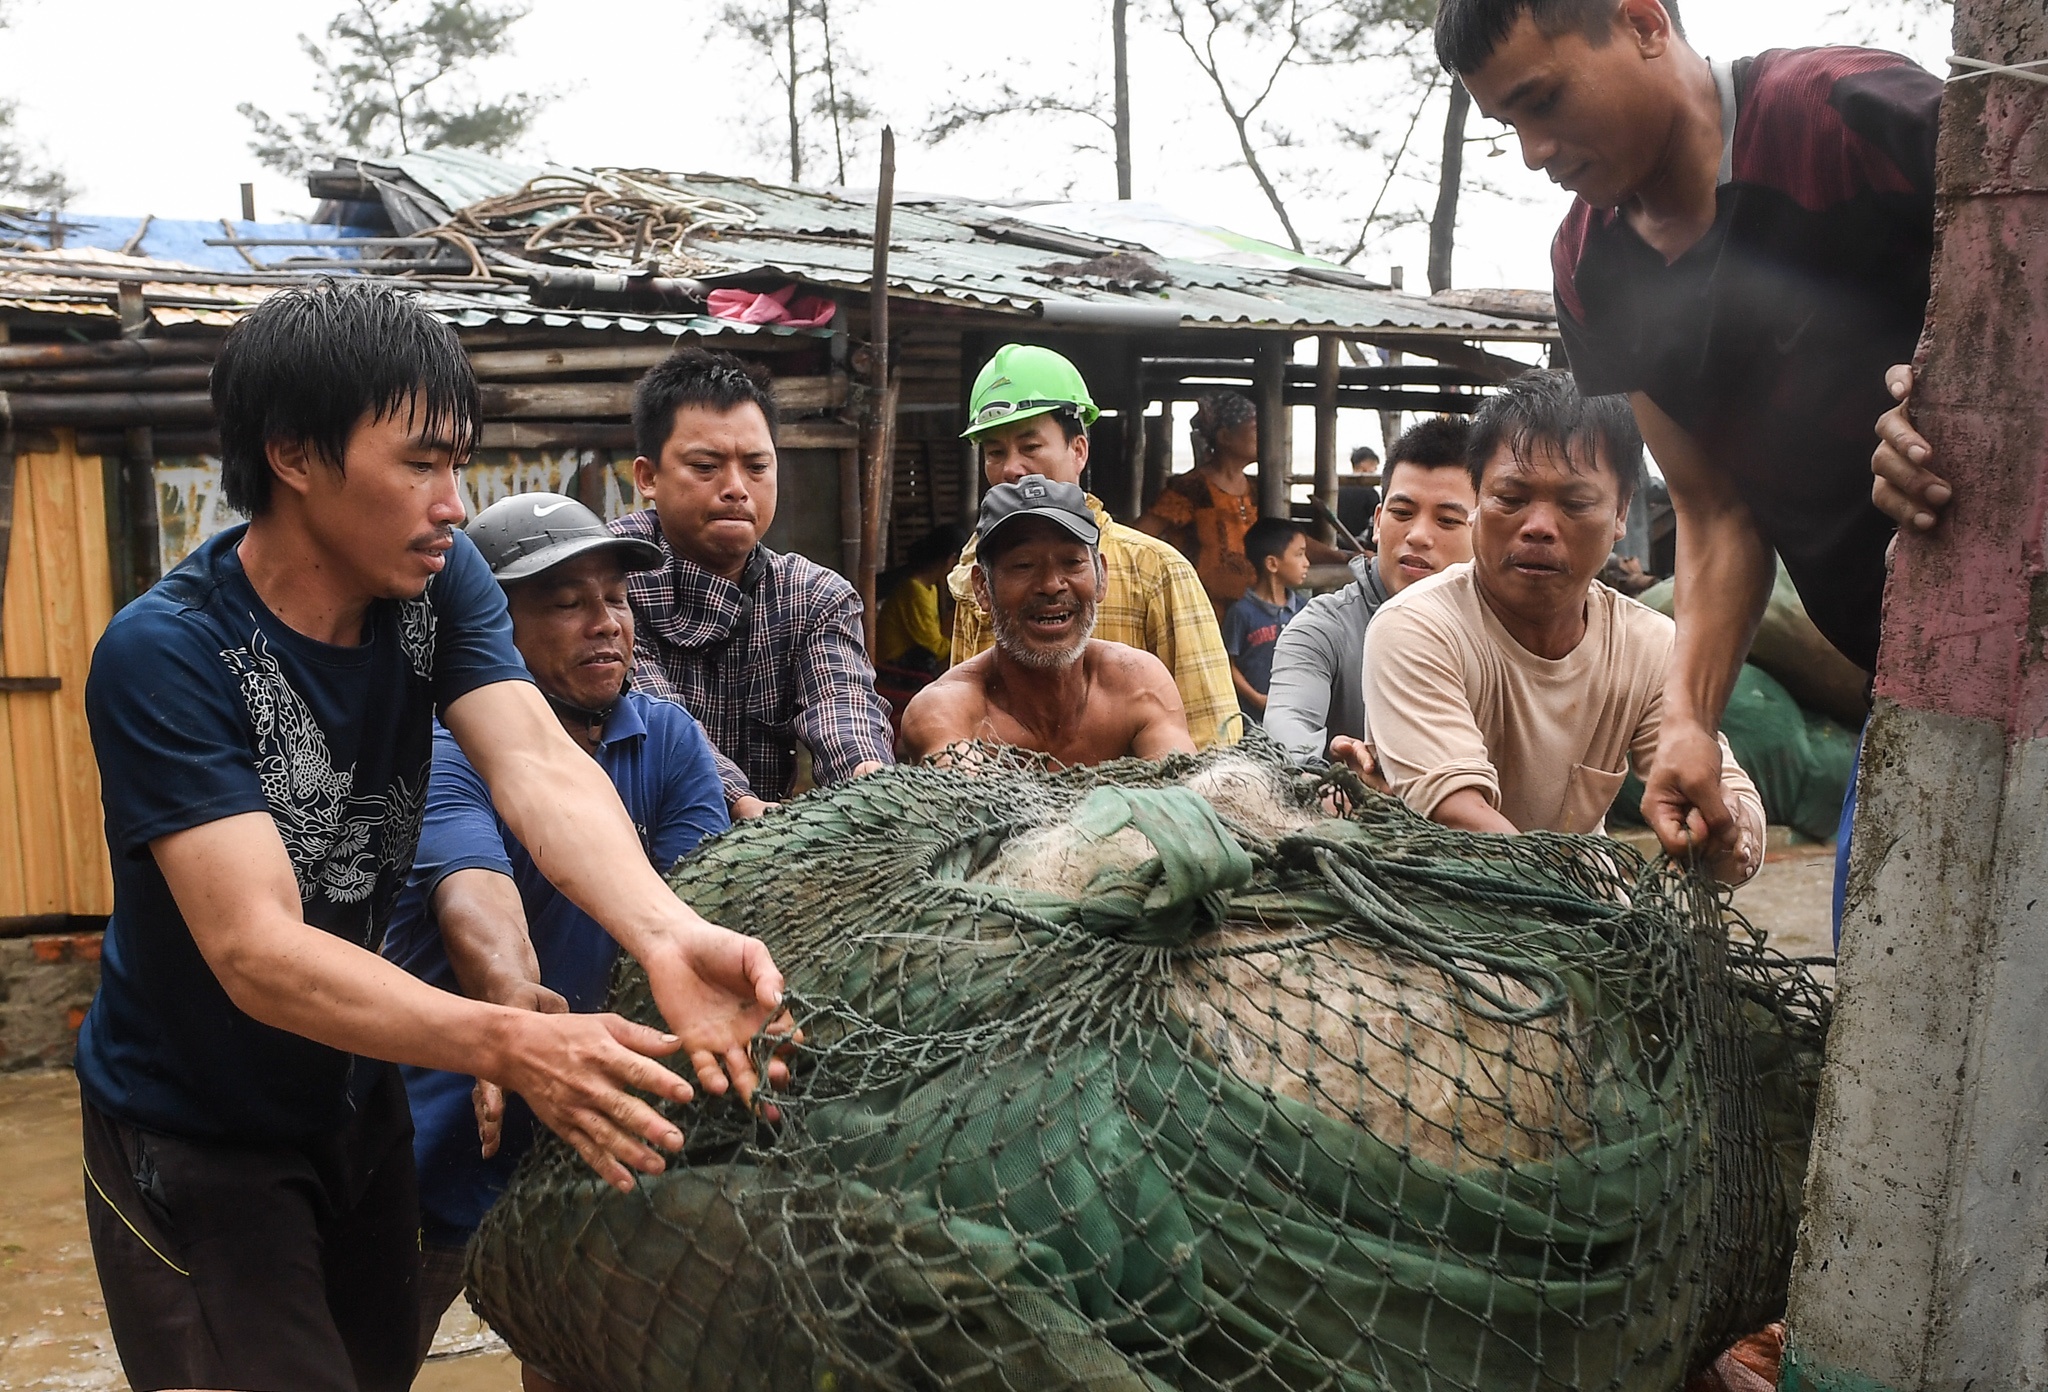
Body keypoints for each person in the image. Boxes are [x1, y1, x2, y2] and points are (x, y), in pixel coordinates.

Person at [76, 284, 787, 1392]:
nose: (454, 504)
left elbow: (540, 766)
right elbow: (255, 949)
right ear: (295, 455)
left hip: (359, 1096)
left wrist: (665, 932)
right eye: (420, 463)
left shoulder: (436, 583)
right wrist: (510, 1041)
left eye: (459, 462)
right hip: (195, 1130)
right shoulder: (165, 656)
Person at [1436, 0, 1940, 876]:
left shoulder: (1845, 114)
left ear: (1639, 22)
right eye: (1507, 125)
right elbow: (1716, 512)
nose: (1533, 153)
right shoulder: (1589, 267)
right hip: (1910, 683)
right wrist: (1689, 724)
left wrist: (1972, 407)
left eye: (1544, 101)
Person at [380, 492, 731, 1384]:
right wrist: (512, 997)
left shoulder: (669, 740)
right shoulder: (443, 748)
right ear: (492, 627)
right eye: (567, 601)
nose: (604, 622)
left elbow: (688, 901)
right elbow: (473, 889)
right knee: (367, 1358)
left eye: (614, 597)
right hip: (452, 1125)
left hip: (597, 1126)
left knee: (582, 1364)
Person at [1360, 372, 1762, 882]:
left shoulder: (1651, 646)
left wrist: (1727, 832)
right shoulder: (1416, 629)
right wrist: (1590, 912)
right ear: (1477, 503)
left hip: (1584, 915)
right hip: (1445, 905)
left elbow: (1728, 794)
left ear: (1620, 513)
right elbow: (1457, 815)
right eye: (1511, 498)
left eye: (1575, 505)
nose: (1539, 527)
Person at [611, 348, 894, 815]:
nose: (737, 487)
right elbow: (658, 717)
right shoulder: (606, 576)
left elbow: (842, 704)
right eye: (706, 467)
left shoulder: (816, 597)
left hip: (761, 848)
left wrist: (870, 781)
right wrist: (742, 805)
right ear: (647, 477)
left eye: (757, 467)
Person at [946, 343, 1240, 748]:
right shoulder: (976, 573)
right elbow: (960, 717)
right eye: (995, 452)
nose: (1011, 468)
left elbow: (1214, 739)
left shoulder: (1154, 569)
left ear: (1078, 449)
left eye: (1030, 447)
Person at [905, 476, 1196, 767]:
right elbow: (978, 808)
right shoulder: (947, 711)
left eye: (1072, 562)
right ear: (982, 588)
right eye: (1024, 565)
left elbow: (1182, 797)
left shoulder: (1137, 683)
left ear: (1101, 577)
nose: (1051, 585)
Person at [1266, 417, 1476, 764]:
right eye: (1402, 513)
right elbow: (1287, 740)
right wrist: (1325, 770)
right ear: (1378, 521)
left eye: (1448, 520)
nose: (1418, 535)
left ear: (1483, 529)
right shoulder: (1322, 630)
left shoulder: (1509, 632)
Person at [1223, 518, 1310, 722]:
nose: (1307, 562)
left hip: (1295, 716)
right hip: (1251, 721)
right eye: (1299, 554)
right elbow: (1228, 664)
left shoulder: (1304, 609)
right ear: (1272, 563)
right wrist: (1257, 699)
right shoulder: (1241, 612)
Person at [1336, 444, 1383, 539]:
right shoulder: (1370, 492)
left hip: (1338, 539)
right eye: (1374, 466)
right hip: (1359, 543)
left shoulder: (1338, 488)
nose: (1375, 470)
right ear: (1364, 466)